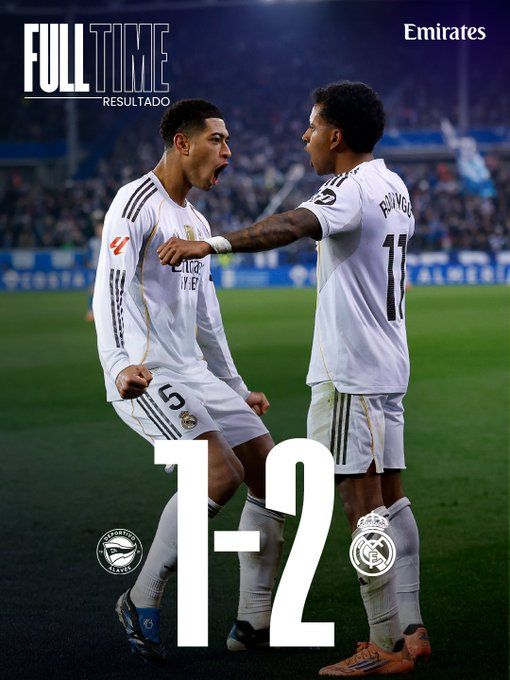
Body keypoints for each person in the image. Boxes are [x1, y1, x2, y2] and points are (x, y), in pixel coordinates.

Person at [157, 82, 431, 676]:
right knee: (392, 497)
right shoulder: (393, 185)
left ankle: (383, 646)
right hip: (388, 365)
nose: (306, 136)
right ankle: (411, 627)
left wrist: (212, 244)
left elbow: (293, 223)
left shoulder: (349, 187)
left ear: (336, 135)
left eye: (312, 126)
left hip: (351, 371)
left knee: (362, 509)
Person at [92, 99, 285, 664]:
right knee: (219, 471)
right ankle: (141, 596)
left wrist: (235, 386)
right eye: (217, 140)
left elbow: (207, 317)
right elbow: (110, 290)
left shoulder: (197, 223)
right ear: (182, 142)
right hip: (146, 372)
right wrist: (118, 364)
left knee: (268, 470)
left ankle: (253, 619)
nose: (228, 152)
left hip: (195, 373)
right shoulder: (134, 202)